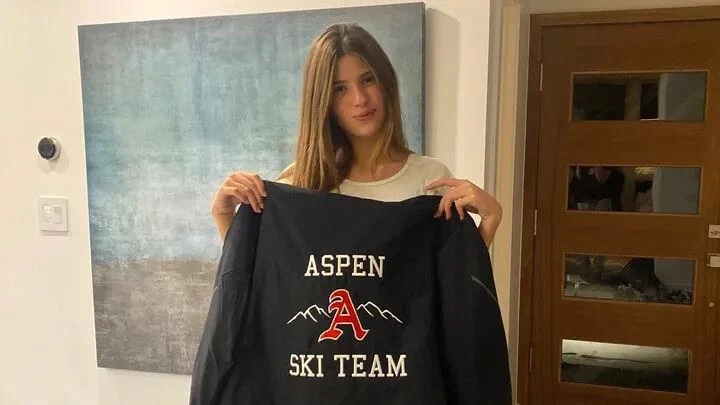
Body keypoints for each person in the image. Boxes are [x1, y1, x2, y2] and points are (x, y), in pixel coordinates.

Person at [209, 22, 502, 247]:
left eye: (368, 79)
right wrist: (223, 215)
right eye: (340, 88)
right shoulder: (300, 183)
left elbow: (456, 292)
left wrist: (489, 220)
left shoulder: (430, 180)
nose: (360, 98)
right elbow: (264, 286)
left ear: (385, 83)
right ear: (323, 100)